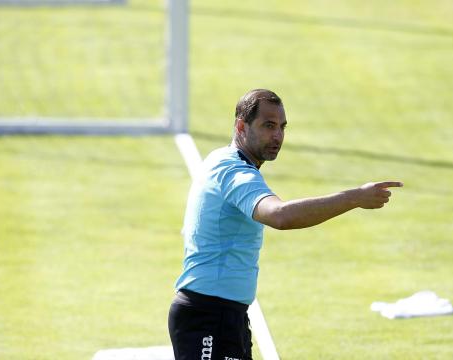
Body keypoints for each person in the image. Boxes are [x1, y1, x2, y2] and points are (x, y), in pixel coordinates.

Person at [168, 89, 403, 360]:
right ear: (241, 127)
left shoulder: (221, 159)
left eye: (282, 127)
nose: (277, 135)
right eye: (268, 126)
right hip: (207, 317)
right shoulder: (234, 172)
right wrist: (354, 198)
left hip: (225, 315)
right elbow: (280, 215)